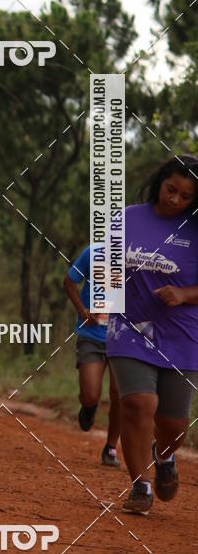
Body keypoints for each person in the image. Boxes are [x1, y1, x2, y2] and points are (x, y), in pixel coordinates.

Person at [106, 155, 198, 515]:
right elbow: (107, 266)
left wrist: (185, 295)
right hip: (129, 327)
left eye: (185, 196)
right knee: (138, 403)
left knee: (174, 422)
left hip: (183, 332)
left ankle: (165, 454)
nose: (175, 199)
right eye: (170, 189)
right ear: (159, 182)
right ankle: (140, 485)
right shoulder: (127, 218)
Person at [63, 245, 121, 467]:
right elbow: (69, 282)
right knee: (90, 395)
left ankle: (111, 447)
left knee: (119, 394)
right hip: (92, 335)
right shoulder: (93, 253)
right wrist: (82, 311)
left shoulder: (138, 260)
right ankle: (89, 407)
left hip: (124, 338)